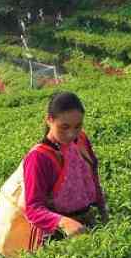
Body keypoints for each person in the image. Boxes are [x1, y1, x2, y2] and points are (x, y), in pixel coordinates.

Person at [20, 91, 106, 244]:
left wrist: (104, 213)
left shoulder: (81, 140)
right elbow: (33, 209)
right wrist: (64, 222)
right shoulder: (39, 157)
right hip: (59, 233)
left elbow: (93, 177)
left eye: (78, 126)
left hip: (89, 220)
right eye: (64, 127)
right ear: (49, 120)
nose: (71, 133)